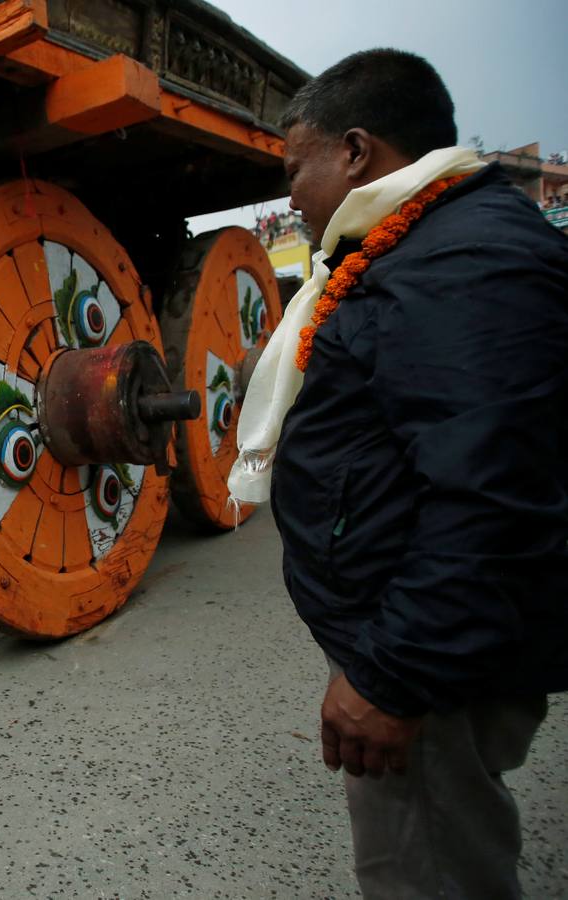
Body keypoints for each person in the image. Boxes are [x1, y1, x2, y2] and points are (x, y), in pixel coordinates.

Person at [226, 49, 568, 898]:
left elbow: (493, 495)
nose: (289, 197)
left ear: (354, 151)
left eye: (292, 170)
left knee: (429, 870)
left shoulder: (460, 264)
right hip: (421, 640)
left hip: (430, 664)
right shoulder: (419, 247)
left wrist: (392, 676)